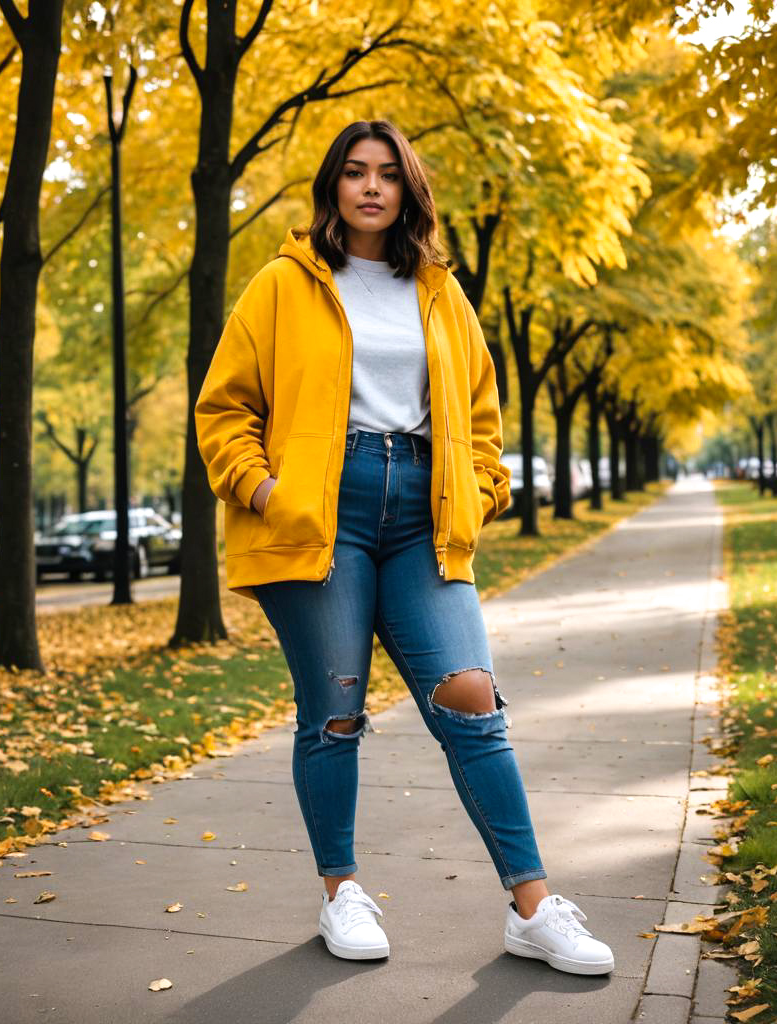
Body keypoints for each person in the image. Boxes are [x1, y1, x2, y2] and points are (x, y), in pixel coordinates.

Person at [194, 119, 614, 975]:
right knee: (335, 714)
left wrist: (485, 490)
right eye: (355, 173)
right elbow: (223, 409)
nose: (372, 187)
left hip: (423, 515)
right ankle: (341, 892)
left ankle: (533, 908)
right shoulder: (281, 285)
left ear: (408, 189)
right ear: (333, 188)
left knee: (471, 700)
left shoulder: (440, 290)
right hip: (322, 516)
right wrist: (267, 491)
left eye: (388, 174)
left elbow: (485, 413)